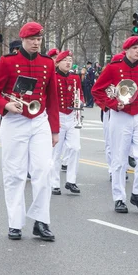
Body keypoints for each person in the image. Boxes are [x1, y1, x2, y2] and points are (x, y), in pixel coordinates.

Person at [0, 21, 59, 241]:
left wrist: (55, 130)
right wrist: (5, 105)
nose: (36, 43)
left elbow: (53, 97)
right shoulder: (8, 62)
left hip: (39, 121)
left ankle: (41, 221)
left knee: (44, 170)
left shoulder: (47, 63)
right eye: (32, 39)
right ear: (23, 40)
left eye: (39, 39)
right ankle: (15, 223)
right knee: (15, 173)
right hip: (14, 121)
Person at [92, 36, 138, 214]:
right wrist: (112, 104)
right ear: (127, 50)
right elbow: (97, 90)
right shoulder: (114, 68)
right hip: (120, 115)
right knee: (119, 159)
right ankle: (119, 198)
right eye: (135, 48)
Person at [50, 50, 82, 195]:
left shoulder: (75, 78)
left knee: (75, 148)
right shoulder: (53, 77)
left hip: (72, 115)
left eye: (70, 60)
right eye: (65, 60)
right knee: (56, 152)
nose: (68, 63)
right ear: (58, 62)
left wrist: (80, 101)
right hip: (58, 116)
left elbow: (80, 93)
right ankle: (54, 183)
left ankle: (71, 181)